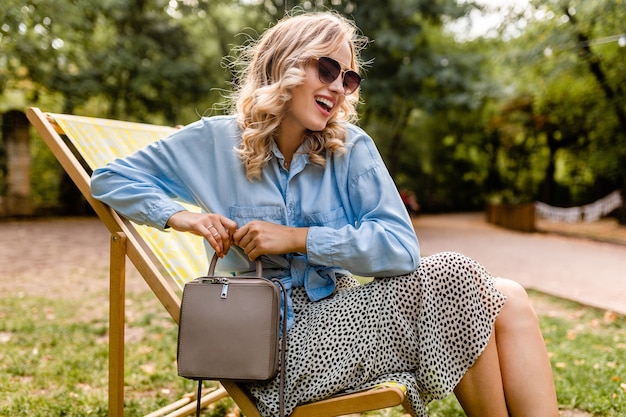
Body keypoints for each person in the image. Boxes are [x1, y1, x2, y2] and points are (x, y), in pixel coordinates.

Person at [91, 11, 559, 417]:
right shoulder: (212, 141)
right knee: (456, 276)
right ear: (286, 64)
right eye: (328, 68)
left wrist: (297, 238)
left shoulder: (349, 149)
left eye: (348, 79)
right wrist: (182, 217)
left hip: (340, 323)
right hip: (269, 352)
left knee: (507, 295)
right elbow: (109, 178)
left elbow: (401, 249)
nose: (338, 87)